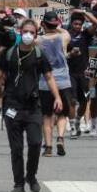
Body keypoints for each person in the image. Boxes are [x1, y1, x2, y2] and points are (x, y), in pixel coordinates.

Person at [0, 19, 61, 192]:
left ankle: (31, 176)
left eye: (32, 32)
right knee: (16, 148)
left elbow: (49, 76)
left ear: (36, 34)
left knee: (36, 143)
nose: (28, 34)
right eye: (25, 31)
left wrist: (57, 97)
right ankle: (18, 183)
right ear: (20, 32)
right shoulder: (8, 53)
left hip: (32, 106)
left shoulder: (39, 54)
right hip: (12, 105)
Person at [39, 11, 73, 156]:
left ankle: (48, 147)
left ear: (43, 24)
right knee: (62, 114)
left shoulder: (38, 40)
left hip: (45, 81)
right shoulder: (63, 37)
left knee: (46, 116)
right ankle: (60, 137)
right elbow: (64, 30)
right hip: (63, 81)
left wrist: (41, 25)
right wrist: (56, 26)